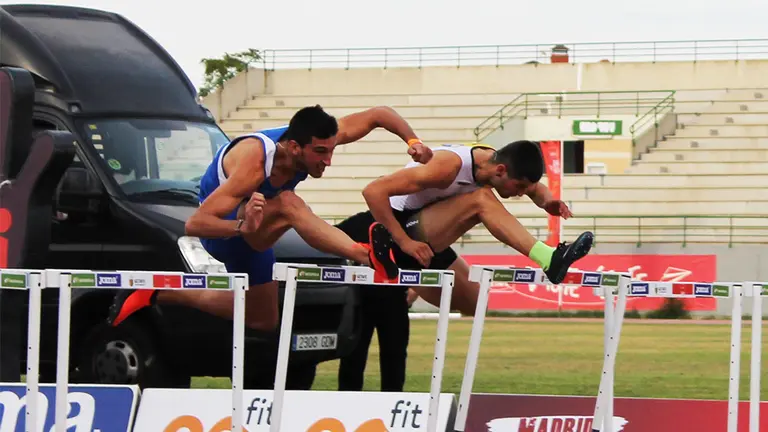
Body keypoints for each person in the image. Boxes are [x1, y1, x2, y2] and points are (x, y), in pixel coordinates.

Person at [106, 104, 433, 330]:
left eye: (331, 150)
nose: (328, 161)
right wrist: (240, 225)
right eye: (321, 153)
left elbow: (378, 115)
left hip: (257, 230)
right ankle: (366, 254)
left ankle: (158, 293)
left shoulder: (315, 137)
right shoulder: (252, 163)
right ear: (293, 147)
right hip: (224, 233)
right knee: (290, 203)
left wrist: (413, 141)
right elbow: (195, 224)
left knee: (263, 319)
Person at [335, 140, 594, 317]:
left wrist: (547, 200)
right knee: (481, 200)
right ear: (501, 171)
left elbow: (536, 187)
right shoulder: (447, 168)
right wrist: (403, 241)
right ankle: (548, 258)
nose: (521, 194)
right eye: (519, 188)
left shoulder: (495, 162)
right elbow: (373, 191)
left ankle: (403, 291)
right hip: (393, 230)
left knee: (476, 302)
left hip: (427, 229)